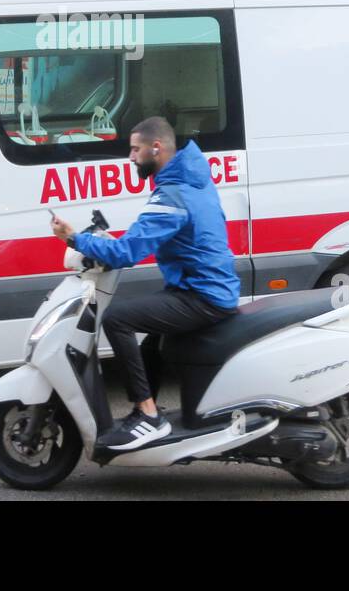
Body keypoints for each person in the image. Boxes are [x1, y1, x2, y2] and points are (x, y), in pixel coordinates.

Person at [50, 117, 240, 451]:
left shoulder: (173, 194)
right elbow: (143, 237)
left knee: (118, 319)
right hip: (204, 287)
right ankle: (145, 409)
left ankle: (149, 416)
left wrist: (74, 239)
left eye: (135, 149)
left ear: (157, 148)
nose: (131, 157)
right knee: (152, 341)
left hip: (202, 296)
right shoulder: (189, 179)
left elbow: (127, 251)